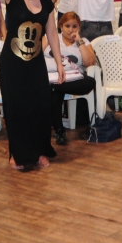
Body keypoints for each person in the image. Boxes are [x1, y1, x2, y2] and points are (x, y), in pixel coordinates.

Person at [0, 0, 63, 170]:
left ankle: (40, 150)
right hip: (12, 63)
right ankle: (17, 154)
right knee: (16, 109)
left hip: (36, 63)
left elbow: (52, 34)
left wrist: (59, 63)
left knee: (41, 107)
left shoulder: (46, 2)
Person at [46, 12, 96, 145]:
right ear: (61, 26)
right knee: (57, 89)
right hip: (51, 75)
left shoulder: (84, 41)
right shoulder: (51, 37)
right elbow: (38, 54)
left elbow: (89, 63)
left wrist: (79, 41)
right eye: (67, 26)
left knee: (90, 82)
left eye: (74, 26)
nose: (70, 30)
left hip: (73, 78)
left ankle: (55, 86)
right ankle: (59, 130)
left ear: (79, 28)